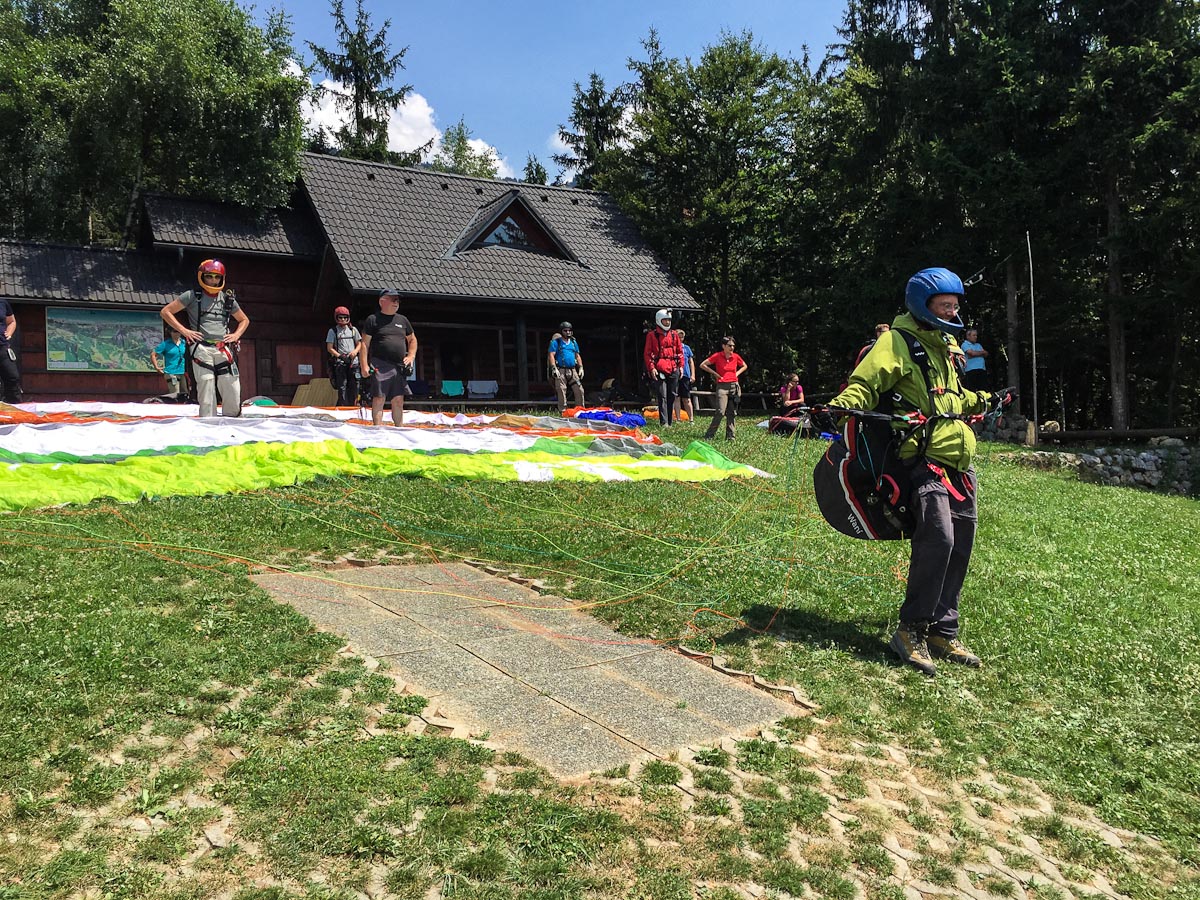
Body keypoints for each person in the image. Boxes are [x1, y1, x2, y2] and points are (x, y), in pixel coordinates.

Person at [823, 267, 1007, 677]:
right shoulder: (896, 342)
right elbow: (865, 383)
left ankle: (943, 630)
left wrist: (983, 399)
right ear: (922, 304)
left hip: (959, 463)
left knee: (960, 546)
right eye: (945, 305)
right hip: (923, 460)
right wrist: (843, 404)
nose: (952, 311)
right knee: (939, 540)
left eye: (955, 305)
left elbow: (950, 398)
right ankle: (911, 630)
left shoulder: (947, 345)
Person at [160, 259, 249, 417]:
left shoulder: (227, 299)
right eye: (209, 276)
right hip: (201, 348)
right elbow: (166, 312)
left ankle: (232, 419)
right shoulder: (192, 296)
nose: (213, 280)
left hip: (222, 347)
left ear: (222, 278)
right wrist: (185, 331)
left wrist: (236, 335)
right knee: (206, 384)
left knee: (231, 384)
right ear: (202, 276)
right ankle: (208, 421)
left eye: (217, 277)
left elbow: (244, 320)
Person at [360, 287, 418, 427]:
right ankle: (377, 428)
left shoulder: (403, 320)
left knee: (398, 400)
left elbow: (412, 340)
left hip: (399, 365)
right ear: (382, 301)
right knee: (379, 398)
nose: (396, 302)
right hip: (380, 364)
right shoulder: (373, 319)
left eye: (397, 300)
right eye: (393, 299)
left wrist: (411, 356)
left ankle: (399, 428)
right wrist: (364, 366)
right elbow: (364, 344)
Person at [699, 336, 747, 441]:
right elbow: (703, 365)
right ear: (723, 346)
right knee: (720, 411)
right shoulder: (717, 356)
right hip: (722, 386)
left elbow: (744, 366)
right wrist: (715, 374)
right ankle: (709, 435)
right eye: (729, 346)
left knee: (732, 412)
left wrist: (736, 374)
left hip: (734, 386)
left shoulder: (736, 356)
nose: (732, 348)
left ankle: (731, 436)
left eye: (733, 346)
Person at [643, 309, 683, 426]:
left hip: (673, 368)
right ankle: (664, 422)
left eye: (669, 320)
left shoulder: (674, 334)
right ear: (659, 320)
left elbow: (680, 352)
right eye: (665, 320)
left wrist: (681, 366)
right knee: (662, 395)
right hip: (659, 368)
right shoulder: (652, 335)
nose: (667, 322)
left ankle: (670, 422)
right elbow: (647, 353)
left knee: (672, 395)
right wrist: (652, 368)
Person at [326, 306, 362, 406]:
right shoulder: (333, 331)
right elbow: (329, 348)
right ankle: (344, 407)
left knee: (355, 385)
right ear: (336, 318)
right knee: (342, 386)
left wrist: (355, 352)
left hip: (353, 362)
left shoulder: (353, 330)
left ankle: (354, 405)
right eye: (340, 317)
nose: (343, 319)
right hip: (341, 363)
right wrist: (340, 356)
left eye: (345, 317)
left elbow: (359, 343)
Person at [547, 321, 584, 413]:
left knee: (579, 389)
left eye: (569, 330)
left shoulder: (573, 342)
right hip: (561, 369)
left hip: (572, 370)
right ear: (561, 331)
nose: (568, 332)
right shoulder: (556, 342)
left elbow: (577, 355)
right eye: (565, 330)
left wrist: (581, 367)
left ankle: (580, 409)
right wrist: (554, 368)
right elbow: (551, 355)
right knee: (561, 390)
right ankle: (563, 410)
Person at [151, 328, 188, 397]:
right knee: (175, 394)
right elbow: (153, 354)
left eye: (178, 331)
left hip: (183, 372)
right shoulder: (165, 344)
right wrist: (156, 367)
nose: (177, 333)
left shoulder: (184, 343)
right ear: (170, 332)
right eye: (175, 331)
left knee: (185, 394)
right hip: (171, 372)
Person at [0, 297, 22, 404]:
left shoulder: (3, 303)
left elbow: (11, 321)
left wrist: (9, 333)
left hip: (2, 347)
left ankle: (14, 407)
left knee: (12, 377)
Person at [673, 329, 695, 422]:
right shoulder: (672, 348)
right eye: (679, 337)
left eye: (682, 337)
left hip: (685, 375)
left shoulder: (686, 348)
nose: (680, 339)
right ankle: (678, 419)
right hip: (675, 374)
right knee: (676, 397)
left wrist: (693, 375)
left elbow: (691, 362)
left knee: (687, 398)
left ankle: (691, 419)